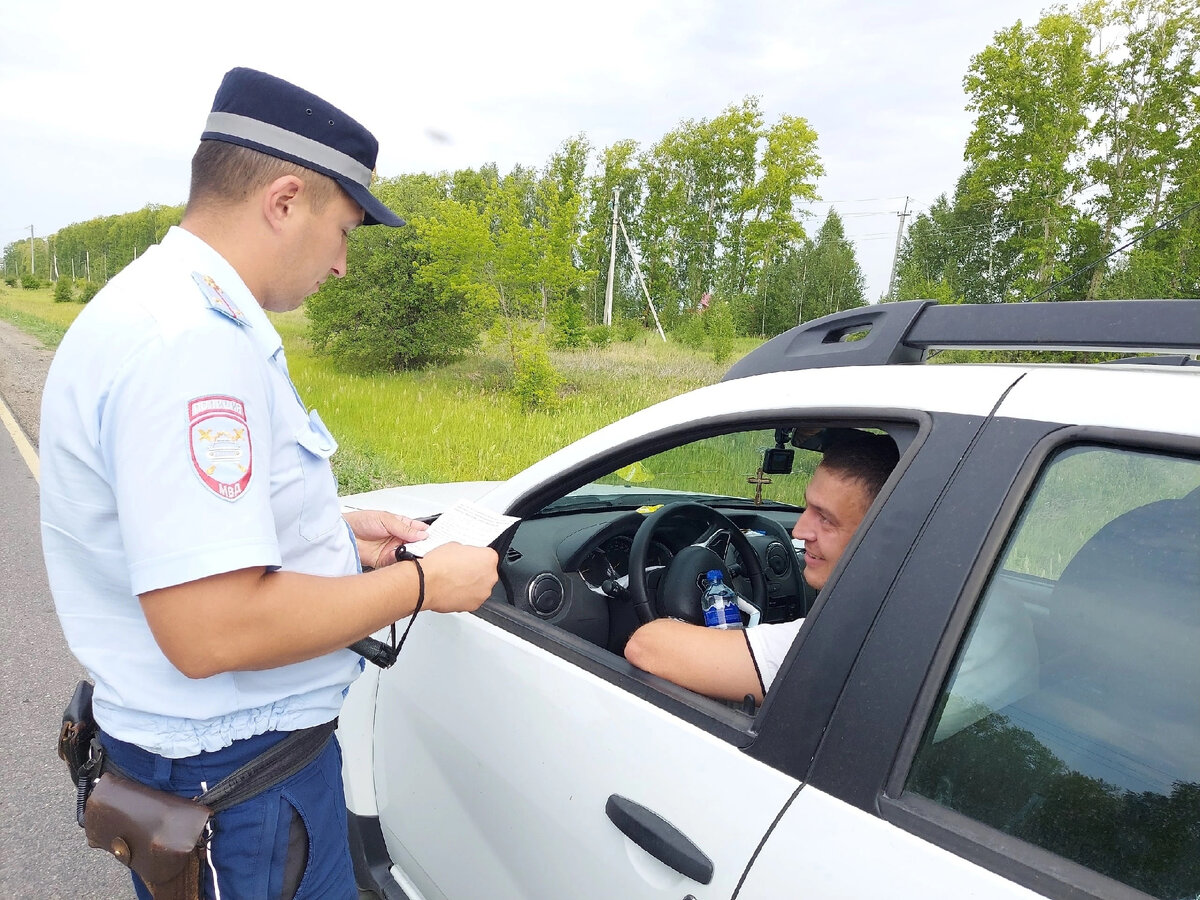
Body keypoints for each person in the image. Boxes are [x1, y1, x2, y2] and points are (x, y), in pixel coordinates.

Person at [39, 67, 498, 899]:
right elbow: (211, 628)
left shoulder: (156, 307)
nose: (344, 266)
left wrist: (336, 535)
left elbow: (186, 532)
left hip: (212, 772)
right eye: (346, 230)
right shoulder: (193, 345)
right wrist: (422, 583)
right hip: (240, 786)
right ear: (284, 201)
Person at [624, 430, 898, 705]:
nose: (800, 531)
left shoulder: (838, 644)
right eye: (807, 508)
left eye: (826, 519)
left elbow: (646, 647)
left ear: (882, 535)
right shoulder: (906, 614)